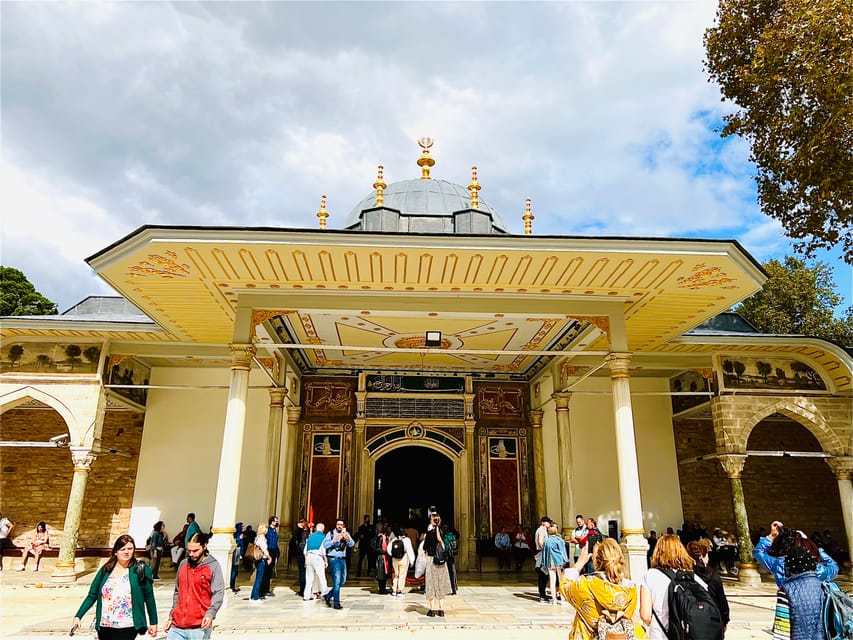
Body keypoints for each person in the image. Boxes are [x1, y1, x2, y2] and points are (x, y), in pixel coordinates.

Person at [754, 522, 838, 640]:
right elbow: (833, 567)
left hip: (791, 620)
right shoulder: (818, 569)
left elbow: (758, 552)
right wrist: (812, 546)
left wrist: (771, 536)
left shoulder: (780, 564)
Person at [559, 539, 650, 640]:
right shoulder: (630, 589)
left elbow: (564, 587)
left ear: (596, 562)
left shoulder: (585, 585)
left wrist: (579, 564)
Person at [72, 534, 158, 639]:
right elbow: (92, 595)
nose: (126, 552)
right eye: (123, 549)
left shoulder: (141, 569)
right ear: (116, 552)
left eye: (130, 549)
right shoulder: (106, 570)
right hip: (105, 624)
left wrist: (153, 622)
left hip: (128, 624)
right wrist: (78, 616)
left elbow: (149, 598)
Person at [644, 533, 712, 640]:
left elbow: (645, 616)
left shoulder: (650, 575)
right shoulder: (690, 576)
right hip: (688, 634)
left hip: (660, 634)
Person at [166, 531, 224, 639]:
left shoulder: (213, 566)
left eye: (195, 551)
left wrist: (210, 614)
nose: (191, 554)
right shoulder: (183, 564)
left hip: (199, 627)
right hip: (177, 626)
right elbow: (177, 592)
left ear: (204, 546)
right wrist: (171, 616)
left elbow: (218, 593)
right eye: (189, 551)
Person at [687, 540, 730, 635]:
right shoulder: (714, 576)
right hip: (713, 619)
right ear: (702, 557)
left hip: (692, 621)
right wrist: (725, 620)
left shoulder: (686, 576)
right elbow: (721, 601)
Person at [423, 513, 452, 617]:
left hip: (431, 560)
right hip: (441, 562)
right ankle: (441, 610)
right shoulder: (442, 532)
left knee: (431, 584)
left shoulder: (429, 533)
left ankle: (431, 610)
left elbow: (425, 547)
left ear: (432, 521)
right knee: (441, 584)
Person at [322, 518, 355, 610]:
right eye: (338, 524)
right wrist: (334, 540)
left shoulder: (346, 533)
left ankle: (328, 596)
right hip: (333, 559)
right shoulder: (331, 533)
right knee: (336, 581)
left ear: (343, 526)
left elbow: (352, 544)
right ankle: (336, 602)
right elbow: (325, 545)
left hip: (342, 559)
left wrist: (347, 538)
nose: (339, 526)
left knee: (342, 580)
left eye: (341, 524)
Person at [541, 524, 568, 605]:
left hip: (550, 561)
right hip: (559, 561)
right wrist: (565, 560)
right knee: (561, 580)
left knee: (552, 581)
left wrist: (544, 562)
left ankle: (554, 600)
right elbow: (562, 551)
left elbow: (544, 553)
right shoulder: (559, 540)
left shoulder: (546, 541)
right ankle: (563, 598)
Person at [303, 523, 329, 602]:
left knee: (309, 578)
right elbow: (323, 551)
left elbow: (305, 551)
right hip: (317, 557)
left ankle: (307, 595)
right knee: (321, 577)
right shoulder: (323, 537)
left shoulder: (310, 537)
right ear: (323, 529)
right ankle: (325, 594)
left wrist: (305, 561)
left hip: (309, 557)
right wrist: (326, 561)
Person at [248, 523, 272, 604]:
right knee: (259, 578)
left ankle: (253, 596)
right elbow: (264, 549)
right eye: (266, 528)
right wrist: (269, 557)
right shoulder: (261, 538)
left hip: (259, 559)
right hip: (261, 559)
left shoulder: (258, 537)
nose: (267, 530)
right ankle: (255, 597)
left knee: (258, 578)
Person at [389, 526, 415, 596]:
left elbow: (389, 549)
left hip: (395, 560)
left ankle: (394, 590)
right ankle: (399, 590)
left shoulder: (394, 540)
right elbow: (409, 550)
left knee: (396, 575)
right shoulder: (407, 540)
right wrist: (412, 561)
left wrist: (393, 555)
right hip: (404, 558)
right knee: (402, 575)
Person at [259, 515, 279, 598]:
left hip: (273, 551)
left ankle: (267, 589)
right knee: (265, 572)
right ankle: (263, 590)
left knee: (269, 572)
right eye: (275, 521)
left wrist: (276, 555)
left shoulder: (275, 531)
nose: (277, 522)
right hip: (268, 551)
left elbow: (276, 543)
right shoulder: (268, 531)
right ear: (272, 522)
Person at [534, 516, 552, 602]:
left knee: (544, 575)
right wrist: (545, 550)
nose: (549, 523)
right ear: (543, 522)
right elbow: (540, 541)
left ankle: (543, 594)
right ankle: (542, 596)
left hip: (542, 552)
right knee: (543, 575)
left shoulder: (542, 530)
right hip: (542, 553)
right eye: (547, 522)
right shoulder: (542, 530)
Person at [291, 518, 310, 597]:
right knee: (302, 572)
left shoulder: (309, 531)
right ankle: (302, 589)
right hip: (301, 553)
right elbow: (295, 535)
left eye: (303, 522)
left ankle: (308, 589)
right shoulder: (299, 531)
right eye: (300, 522)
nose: (302, 523)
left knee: (308, 572)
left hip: (309, 553)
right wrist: (298, 528)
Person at [374, 524, 392, 594]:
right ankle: (381, 589)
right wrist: (385, 552)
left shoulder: (385, 537)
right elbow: (377, 548)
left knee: (385, 574)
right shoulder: (381, 537)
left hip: (385, 557)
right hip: (381, 558)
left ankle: (383, 588)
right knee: (381, 574)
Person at [229, 522, 244, 594]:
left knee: (236, 570)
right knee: (234, 570)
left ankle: (233, 585)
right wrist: (239, 538)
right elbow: (235, 543)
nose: (243, 527)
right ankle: (231, 585)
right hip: (236, 553)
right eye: (242, 526)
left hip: (239, 553)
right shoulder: (236, 534)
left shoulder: (241, 534)